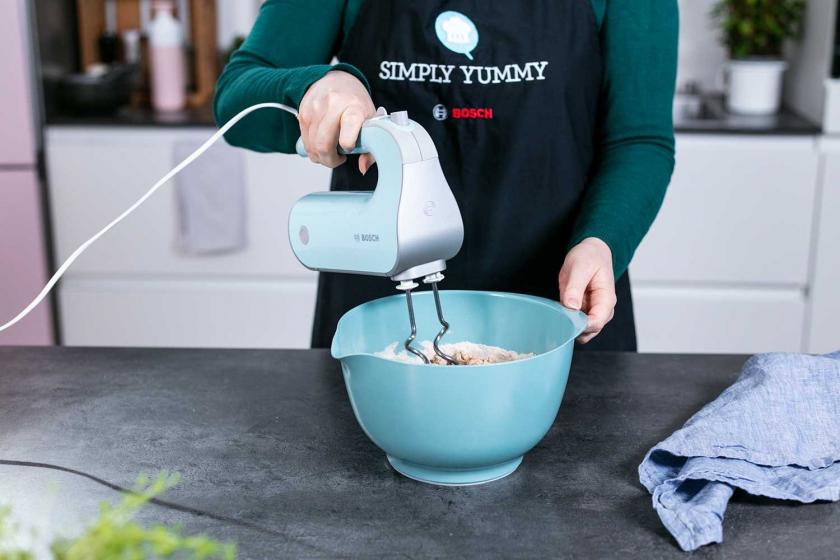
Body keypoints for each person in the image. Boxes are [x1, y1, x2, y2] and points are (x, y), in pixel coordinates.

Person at [214, 0, 678, 351]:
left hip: (561, 309)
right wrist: (313, 87)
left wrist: (604, 241)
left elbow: (639, 139)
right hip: (379, 315)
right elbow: (237, 98)